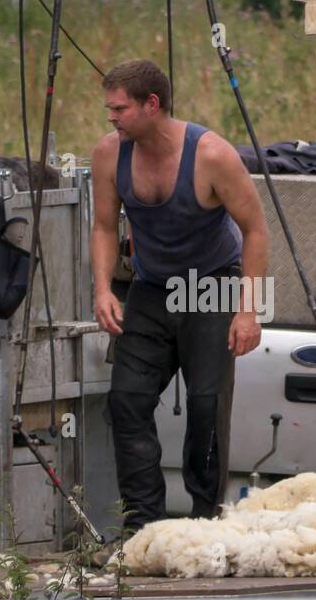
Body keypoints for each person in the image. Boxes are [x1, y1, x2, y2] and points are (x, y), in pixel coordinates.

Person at [90, 59, 269, 534]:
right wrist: (103, 288)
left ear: (153, 104)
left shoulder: (211, 155)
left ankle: (205, 525)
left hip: (211, 283)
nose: (111, 117)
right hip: (151, 286)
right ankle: (143, 527)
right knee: (126, 400)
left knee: (206, 407)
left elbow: (256, 231)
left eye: (119, 108)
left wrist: (248, 312)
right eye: (109, 109)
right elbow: (105, 226)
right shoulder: (110, 154)